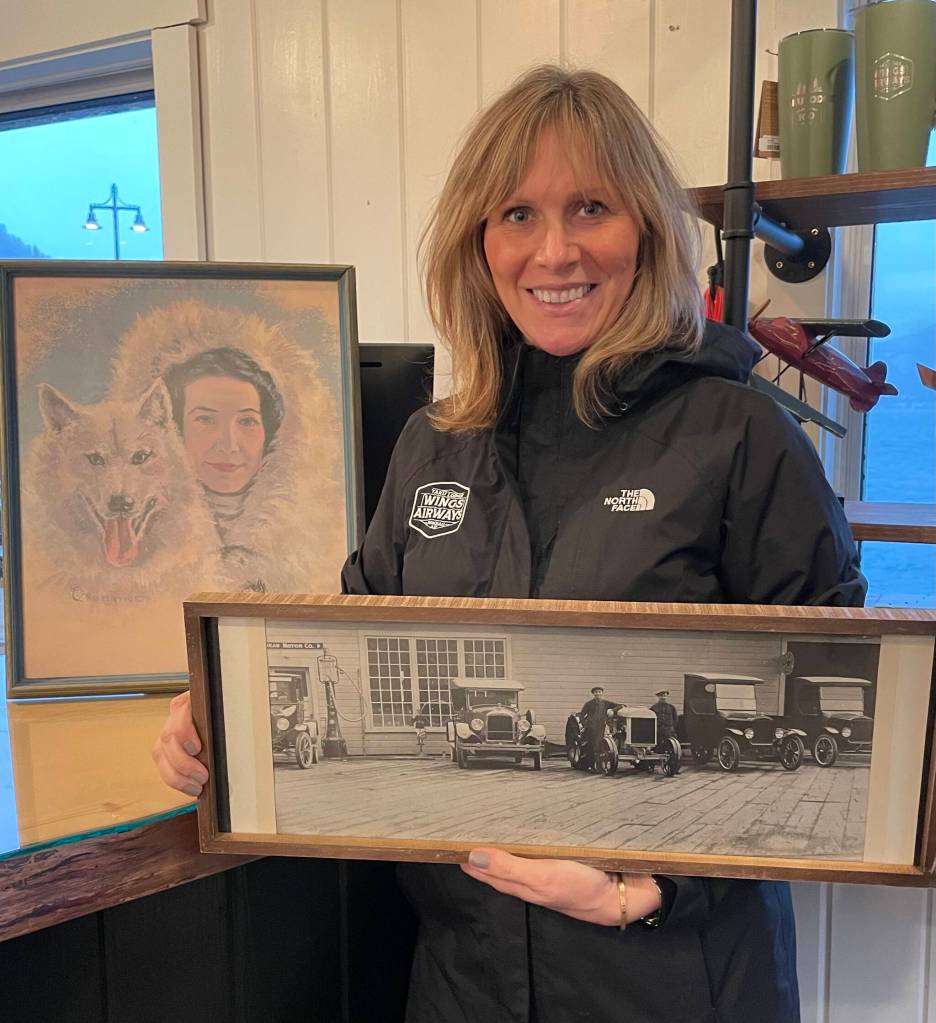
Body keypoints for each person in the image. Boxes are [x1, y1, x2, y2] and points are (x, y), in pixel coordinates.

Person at [155, 65, 865, 1022]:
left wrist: (652, 888)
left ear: (646, 229)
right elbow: (355, 639)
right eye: (517, 215)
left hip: (673, 979)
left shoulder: (740, 437)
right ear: (478, 242)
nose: (555, 250)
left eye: (590, 207)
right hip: (464, 977)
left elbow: (836, 730)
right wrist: (223, 697)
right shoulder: (432, 442)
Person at [109, 300, 346, 594]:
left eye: (247, 422)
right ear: (171, 429)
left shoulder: (318, 549)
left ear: (271, 434)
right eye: (206, 419)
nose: (228, 444)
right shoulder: (127, 542)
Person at [579, 685, 620, 771]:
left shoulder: (605, 703)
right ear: (593, 694)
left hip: (601, 728)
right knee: (591, 747)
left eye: (599, 692)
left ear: (602, 693)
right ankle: (591, 766)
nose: (598, 694)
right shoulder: (589, 704)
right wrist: (585, 725)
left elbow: (620, 706)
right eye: (596, 692)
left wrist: (612, 710)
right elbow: (582, 715)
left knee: (600, 747)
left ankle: (599, 767)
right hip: (591, 729)